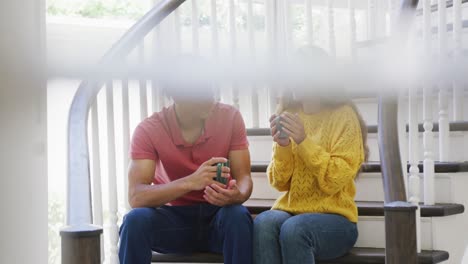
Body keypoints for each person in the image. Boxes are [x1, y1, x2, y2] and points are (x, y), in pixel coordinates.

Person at [119, 57, 253, 264]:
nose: (211, 97)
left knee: (238, 216)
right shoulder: (148, 129)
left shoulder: (230, 117)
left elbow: (244, 178)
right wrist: (191, 181)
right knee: (134, 221)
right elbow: (136, 197)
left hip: (218, 218)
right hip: (173, 221)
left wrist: (237, 195)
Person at [253, 46, 369, 264]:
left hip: (337, 220)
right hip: (293, 211)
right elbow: (279, 182)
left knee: (294, 229)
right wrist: (283, 146)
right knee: (265, 223)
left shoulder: (344, 117)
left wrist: (303, 142)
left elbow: (333, 180)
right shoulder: (289, 114)